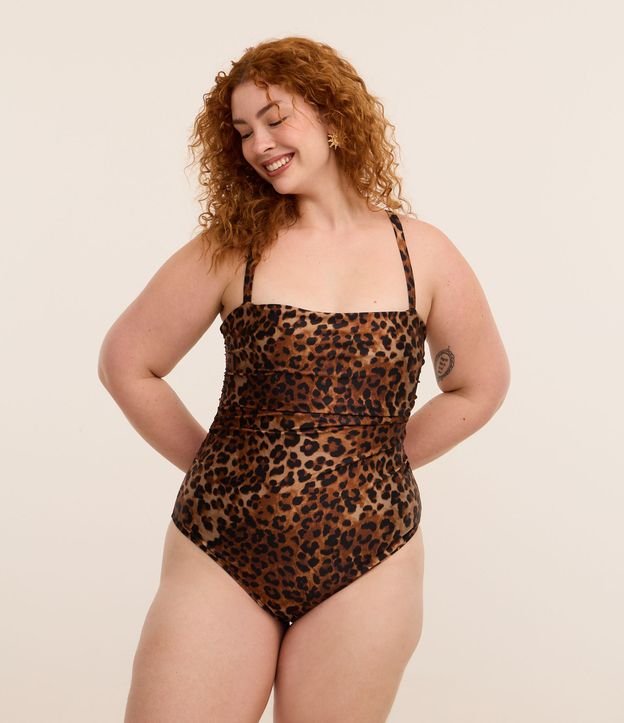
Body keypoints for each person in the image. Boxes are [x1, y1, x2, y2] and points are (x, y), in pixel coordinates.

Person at [98, 35, 510, 723]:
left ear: (335, 116)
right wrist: (217, 464)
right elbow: (127, 362)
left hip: (371, 552)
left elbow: (480, 384)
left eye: (274, 118)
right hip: (223, 541)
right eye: (242, 131)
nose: (259, 143)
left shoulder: (423, 253)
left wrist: (376, 461)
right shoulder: (233, 248)